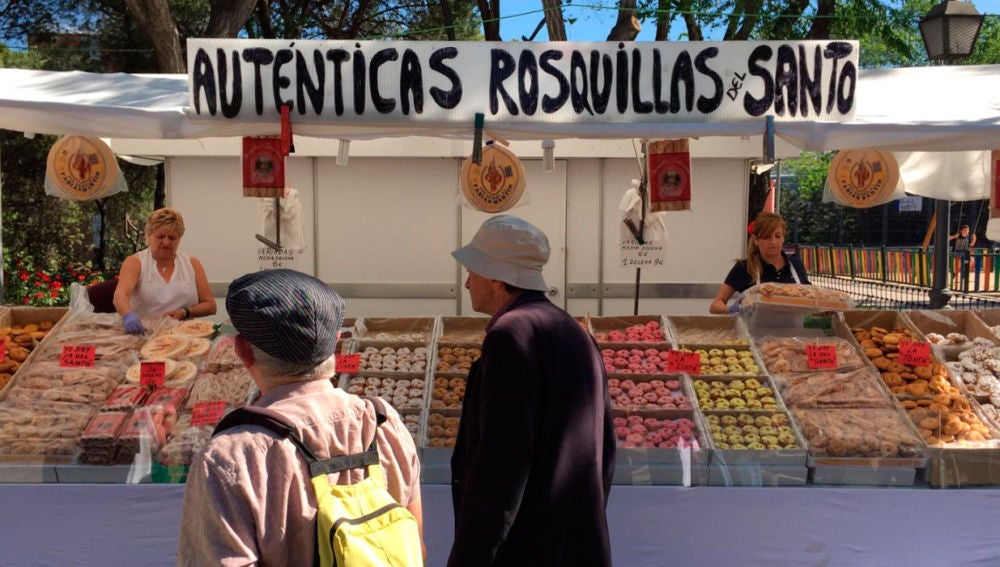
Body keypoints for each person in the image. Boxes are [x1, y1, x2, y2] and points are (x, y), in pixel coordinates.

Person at [177, 268, 424, 565]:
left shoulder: (229, 458)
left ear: (242, 351)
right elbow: (416, 547)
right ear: (335, 343)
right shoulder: (384, 424)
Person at [448, 215, 615, 567]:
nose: (466, 283)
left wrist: (470, 557)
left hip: (527, 546)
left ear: (496, 277)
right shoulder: (575, 329)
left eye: (473, 271)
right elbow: (605, 447)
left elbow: (502, 465)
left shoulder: (509, 336)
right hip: (575, 541)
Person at [113, 207, 216, 334]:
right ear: (148, 236)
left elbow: (210, 306)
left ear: (179, 239)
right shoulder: (135, 263)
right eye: (160, 237)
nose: (166, 242)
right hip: (143, 333)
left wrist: (185, 312)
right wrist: (128, 315)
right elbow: (120, 295)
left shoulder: (192, 264)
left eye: (172, 238)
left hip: (185, 334)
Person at [710, 211, 810, 314]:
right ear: (755, 240)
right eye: (766, 237)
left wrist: (822, 309)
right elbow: (715, 305)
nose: (773, 242)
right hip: (754, 329)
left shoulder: (796, 264)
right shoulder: (745, 267)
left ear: (783, 237)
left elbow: (811, 299)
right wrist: (733, 310)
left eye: (778, 236)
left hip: (794, 329)